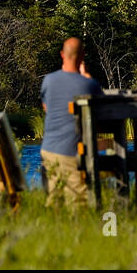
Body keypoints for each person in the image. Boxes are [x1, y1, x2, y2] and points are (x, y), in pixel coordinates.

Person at [39, 37, 102, 210]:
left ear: (62, 55)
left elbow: (47, 108)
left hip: (48, 151)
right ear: (82, 57)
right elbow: (102, 111)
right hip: (70, 152)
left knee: (54, 202)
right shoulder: (90, 85)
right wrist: (87, 76)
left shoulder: (48, 81)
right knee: (79, 205)